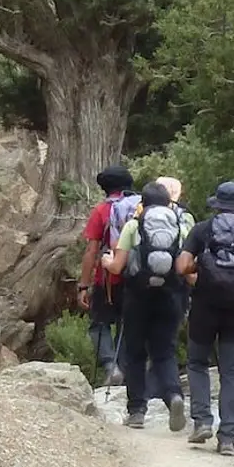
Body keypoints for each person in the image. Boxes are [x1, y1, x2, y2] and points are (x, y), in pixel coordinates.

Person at [177, 181, 234, 455]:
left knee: (196, 363)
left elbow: (182, 265)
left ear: (215, 204)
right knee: (232, 372)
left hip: (204, 308)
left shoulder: (202, 231)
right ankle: (228, 437)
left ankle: (202, 421)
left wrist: (201, 270)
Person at [103, 180, 192, 431]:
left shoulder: (134, 225)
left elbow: (118, 267)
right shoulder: (180, 225)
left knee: (135, 353)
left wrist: (107, 261)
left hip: (137, 296)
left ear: (143, 203)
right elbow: (185, 266)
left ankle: (137, 411)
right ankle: (174, 395)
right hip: (171, 295)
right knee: (164, 351)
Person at [77, 165, 137, 387]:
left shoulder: (102, 210)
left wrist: (83, 286)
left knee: (99, 324)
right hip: (137, 278)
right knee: (127, 325)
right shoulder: (143, 207)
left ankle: (111, 366)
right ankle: (126, 375)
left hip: (108, 279)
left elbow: (91, 251)